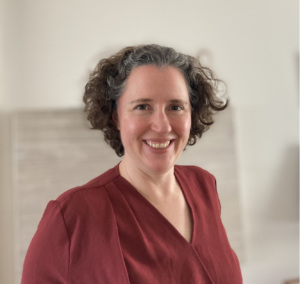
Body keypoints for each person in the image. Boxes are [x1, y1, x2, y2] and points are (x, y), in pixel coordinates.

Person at [21, 44, 243, 283]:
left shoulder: (204, 186)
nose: (162, 126)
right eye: (142, 107)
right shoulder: (71, 215)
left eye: (176, 107)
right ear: (116, 116)